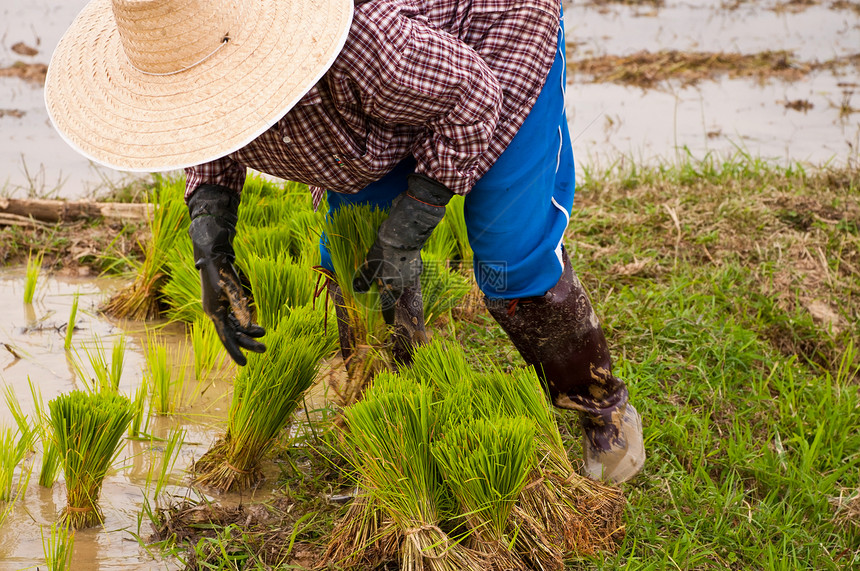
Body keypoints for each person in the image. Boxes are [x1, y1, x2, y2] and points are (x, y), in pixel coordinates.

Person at [45, 0, 644, 484]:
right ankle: (400, 415)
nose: (199, 101)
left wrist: (415, 217)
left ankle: (601, 407)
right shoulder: (191, 52)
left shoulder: (359, 44)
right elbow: (207, 131)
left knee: (509, 256)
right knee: (359, 267)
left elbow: (473, 98)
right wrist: (212, 242)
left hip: (489, 49)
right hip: (369, 123)